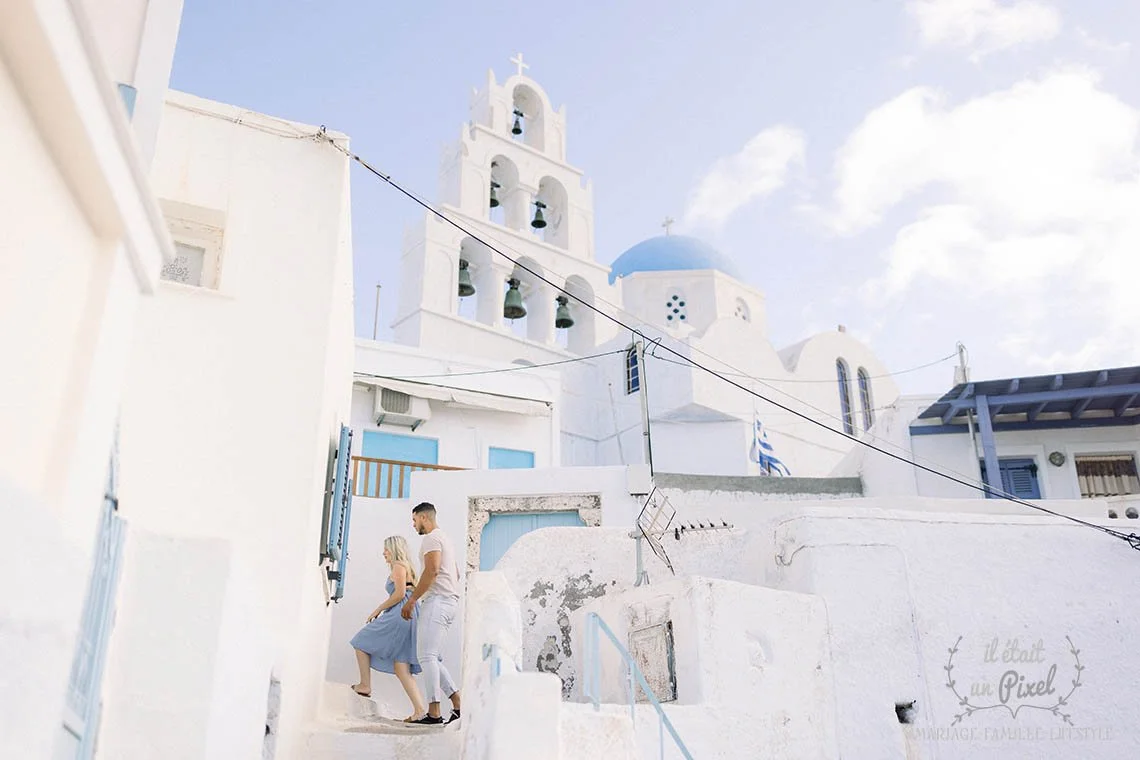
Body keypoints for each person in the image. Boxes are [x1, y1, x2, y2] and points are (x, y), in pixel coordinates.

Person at [349, 535, 428, 722]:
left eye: (386, 549)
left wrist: (378, 609)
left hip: (400, 613)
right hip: (407, 614)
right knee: (401, 667)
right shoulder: (404, 566)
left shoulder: (399, 566)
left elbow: (400, 594)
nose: (383, 553)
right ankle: (419, 711)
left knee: (360, 641)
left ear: (394, 549)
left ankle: (365, 685)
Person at [401, 502, 462, 725]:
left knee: (426, 657)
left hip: (437, 602)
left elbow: (433, 570)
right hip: (449, 602)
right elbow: (455, 572)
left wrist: (414, 599)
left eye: (415, 519)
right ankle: (458, 703)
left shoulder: (431, 539)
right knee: (432, 657)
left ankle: (434, 712)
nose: (414, 524)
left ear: (424, 517)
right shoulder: (445, 539)